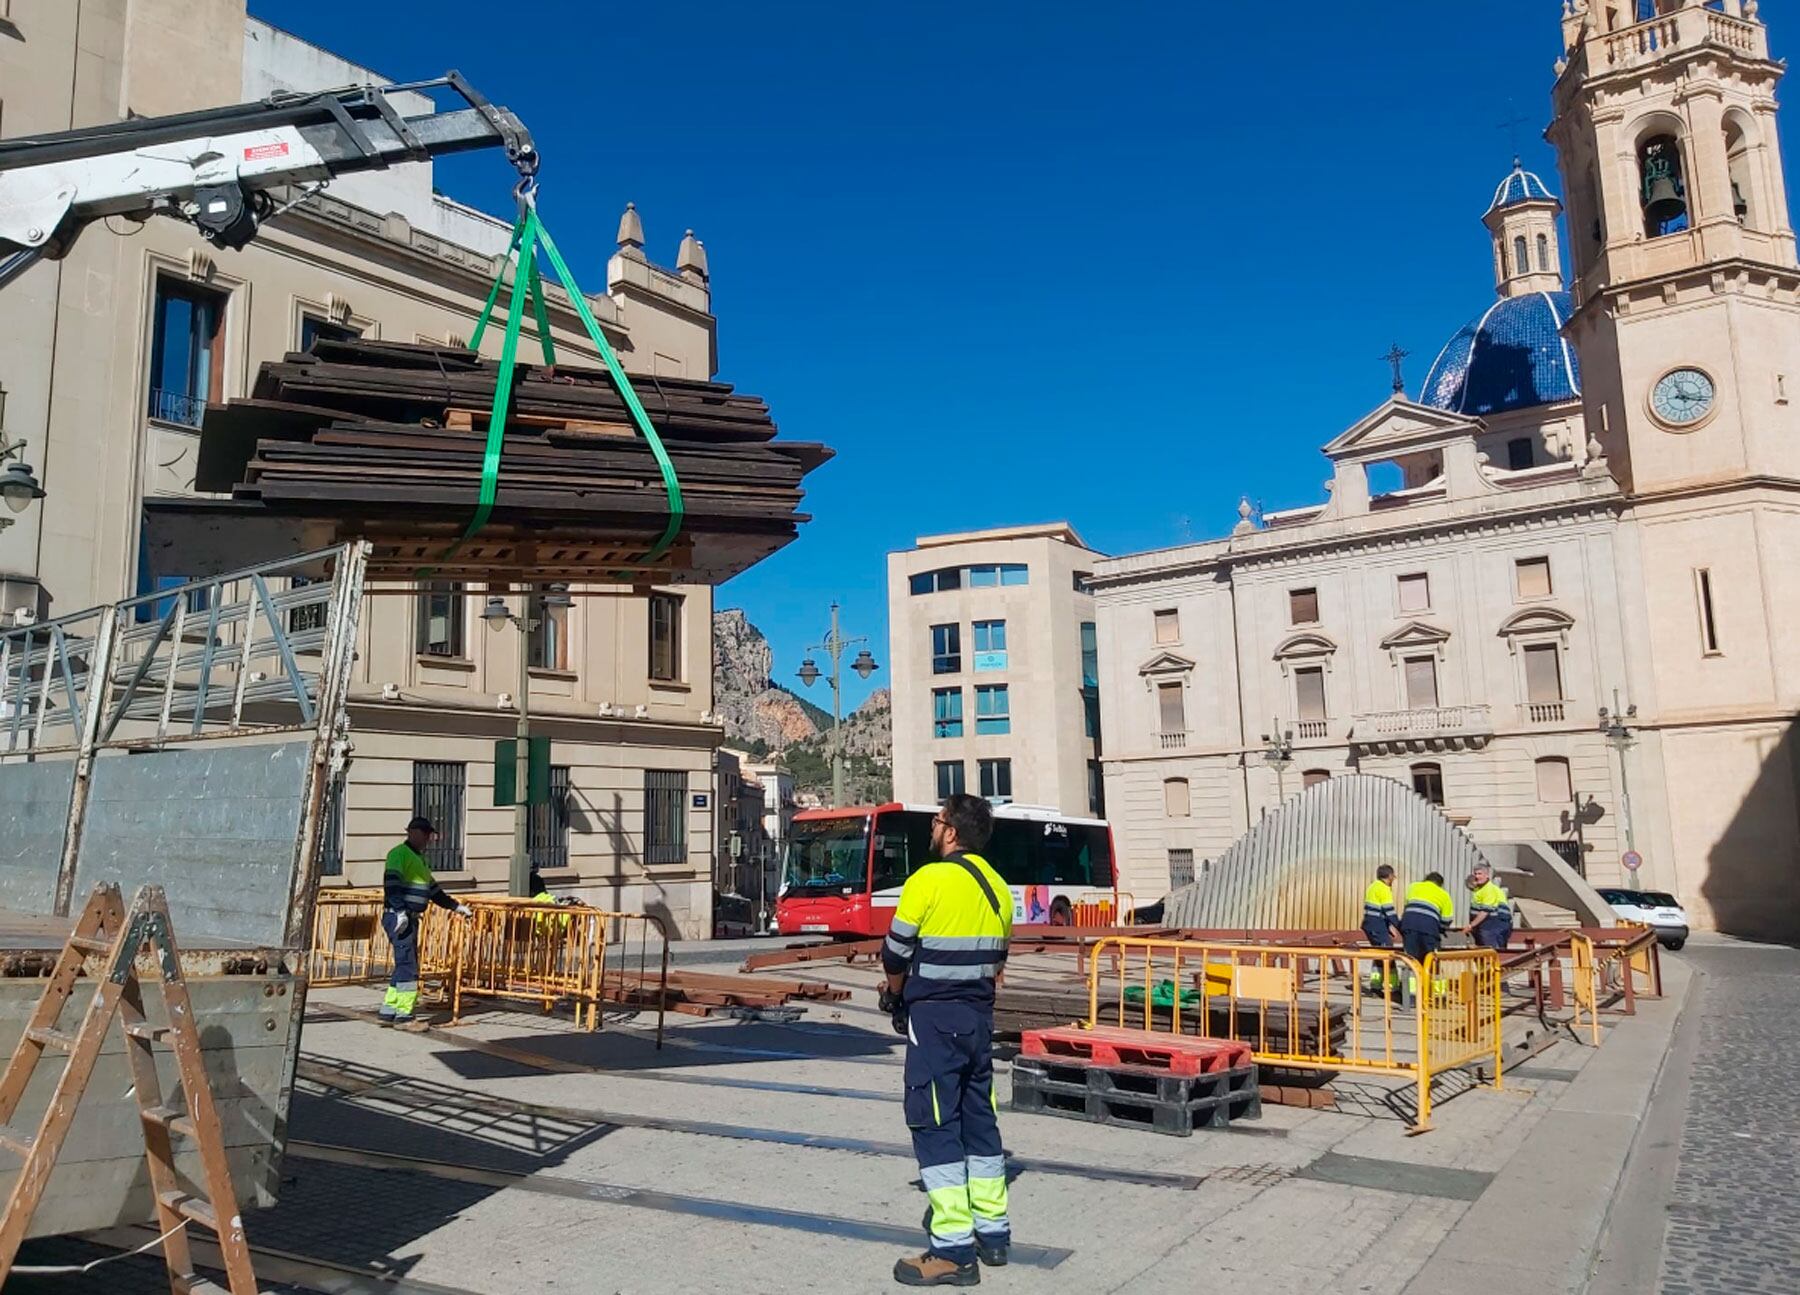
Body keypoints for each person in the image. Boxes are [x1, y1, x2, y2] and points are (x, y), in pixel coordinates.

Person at [881, 794, 1013, 1288]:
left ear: (951, 831)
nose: (932, 829)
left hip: (935, 1021)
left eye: (937, 822)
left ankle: (953, 1250)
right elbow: (998, 962)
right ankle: (993, 1233)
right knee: (980, 1121)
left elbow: (895, 952)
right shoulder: (999, 888)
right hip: (979, 1020)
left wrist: (896, 996)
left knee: (934, 1122)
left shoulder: (928, 879)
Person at [381, 815, 471, 1028]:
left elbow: (433, 890)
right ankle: (404, 1015)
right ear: (414, 833)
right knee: (408, 966)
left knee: (403, 963)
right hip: (400, 917)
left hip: (406, 918)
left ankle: (389, 1010)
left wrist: (455, 906)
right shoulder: (399, 854)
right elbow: (391, 885)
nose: (428, 840)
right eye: (426, 835)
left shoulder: (419, 859)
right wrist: (400, 911)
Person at [1400, 870, 1455, 1000]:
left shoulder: (1413, 887)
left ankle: (1412, 997)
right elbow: (1447, 920)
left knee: (1411, 961)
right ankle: (1438, 996)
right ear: (1440, 884)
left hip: (1409, 925)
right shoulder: (1443, 894)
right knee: (1433, 961)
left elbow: (1407, 906)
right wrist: (1440, 928)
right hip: (1429, 929)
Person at [1362, 865, 1403, 992]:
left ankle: (1376, 985)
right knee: (1388, 954)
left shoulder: (1373, 886)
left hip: (1371, 925)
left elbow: (1378, 910)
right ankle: (1392, 986)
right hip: (1377, 926)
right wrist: (1401, 928)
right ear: (1389, 876)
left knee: (1379, 954)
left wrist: (1389, 926)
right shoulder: (1384, 889)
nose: (1394, 879)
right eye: (1393, 877)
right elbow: (1389, 911)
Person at [1465, 866, 1514, 951]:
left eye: (1480, 874)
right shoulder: (1481, 890)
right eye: (1475, 874)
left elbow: (1485, 911)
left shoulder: (1488, 889)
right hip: (1488, 924)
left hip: (1494, 924)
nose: (1477, 876)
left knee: (1491, 950)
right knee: (1484, 948)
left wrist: (1471, 925)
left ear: (1487, 875)